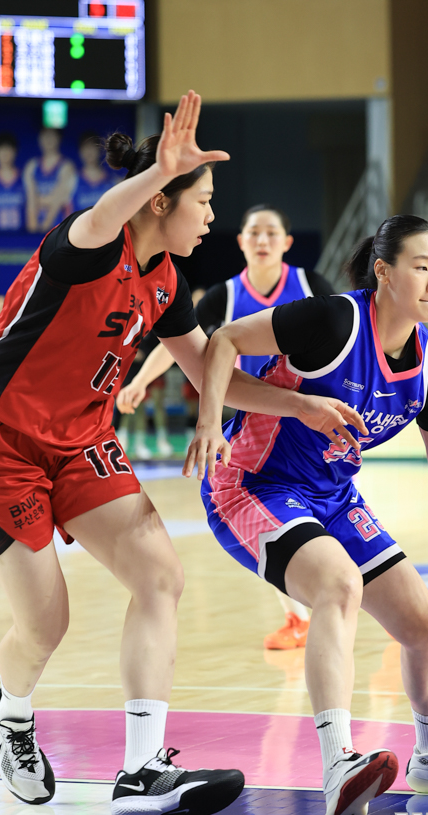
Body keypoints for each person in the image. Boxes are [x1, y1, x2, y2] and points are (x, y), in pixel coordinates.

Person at [0, 92, 362, 815]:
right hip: (0, 443)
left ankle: (142, 768)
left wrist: (303, 405)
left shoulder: (166, 283)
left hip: (82, 443)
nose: (212, 217)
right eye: (203, 201)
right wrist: (158, 171)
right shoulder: (88, 243)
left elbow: (214, 373)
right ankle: (11, 714)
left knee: (160, 575)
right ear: (160, 201)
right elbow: (105, 214)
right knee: (46, 625)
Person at [184, 214, 428, 815]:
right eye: (421, 267)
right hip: (252, 484)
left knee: (424, 626)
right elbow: (222, 343)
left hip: (333, 495)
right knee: (339, 584)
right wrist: (210, 421)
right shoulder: (332, 322)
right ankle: (337, 764)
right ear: (385, 272)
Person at [118, 204, 335, 650]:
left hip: (307, 422)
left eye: (271, 233)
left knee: (328, 518)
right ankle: (297, 618)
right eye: (253, 232)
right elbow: (178, 341)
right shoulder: (226, 295)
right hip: (253, 429)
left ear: (287, 242)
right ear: (240, 241)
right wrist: (140, 381)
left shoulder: (312, 286)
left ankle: (374, 596)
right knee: (272, 523)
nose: (262, 240)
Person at [23, 128, 76, 233]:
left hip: (59, 229)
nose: (48, 139)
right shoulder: (32, 166)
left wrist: (45, 229)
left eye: (52, 136)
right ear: (39, 139)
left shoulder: (67, 166)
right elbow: (30, 202)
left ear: (59, 138)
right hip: (37, 228)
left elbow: (58, 201)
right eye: (45, 136)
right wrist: (33, 231)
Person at [68, 132, 115, 214]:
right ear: (80, 151)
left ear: (100, 149)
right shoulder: (71, 180)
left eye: (92, 146)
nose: (89, 150)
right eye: (85, 147)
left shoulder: (113, 181)